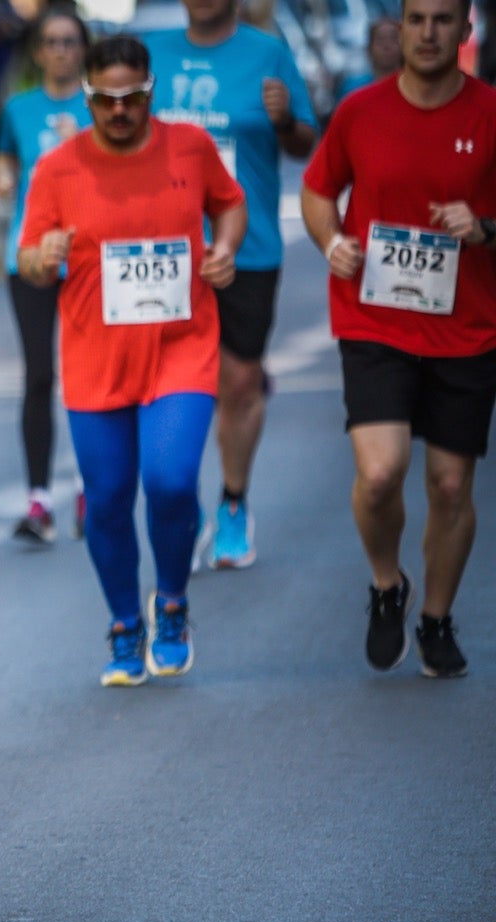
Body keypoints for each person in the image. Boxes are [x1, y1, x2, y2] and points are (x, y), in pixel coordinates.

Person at [19, 35, 246, 686]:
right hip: (96, 359)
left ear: (152, 90)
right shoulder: (59, 167)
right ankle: (125, 622)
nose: (120, 111)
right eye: (106, 99)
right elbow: (31, 261)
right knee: (110, 501)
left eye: (133, 97)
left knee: (171, 482)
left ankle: (171, 602)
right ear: (88, 93)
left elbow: (229, 204)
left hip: (182, 347)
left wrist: (226, 248)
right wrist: (46, 255)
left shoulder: (191, 148)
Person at [300, 0, 496, 679]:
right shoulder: (360, 110)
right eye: (417, 19)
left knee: (449, 485)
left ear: (466, 31)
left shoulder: (490, 114)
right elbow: (319, 189)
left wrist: (484, 227)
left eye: (444, 19)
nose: (429, 32)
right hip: (375, 319)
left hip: (466, 327)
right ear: (400, 29)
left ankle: (436, 620)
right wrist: (331, 241)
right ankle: (387, 585)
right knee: (381, 475)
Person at [147, 0, 317, 569]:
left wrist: (286, 119)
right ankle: (178, 500)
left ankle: (234, 502)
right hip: (162, 249)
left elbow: (304, 145)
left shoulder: (268, 53)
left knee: (240, 380)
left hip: (250, 245)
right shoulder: (154, 54)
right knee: (170, 382)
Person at [0, 4, 92, 544]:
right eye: (51, 42)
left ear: (83, 48)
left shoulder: (99, 107)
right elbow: (5, 158)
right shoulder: (19, 108)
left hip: (88, 258)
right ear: (38, 52)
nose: (60, 51)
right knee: (38, 375)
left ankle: (89, 489)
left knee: (85, 377)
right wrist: (6, 179)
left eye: (69, 42)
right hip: (27, 257)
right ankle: (39, 500)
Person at [338, 17, 404, 99]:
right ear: (369, 48)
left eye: (393, 39)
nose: (387, 45)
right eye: (380, 39)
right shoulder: (353, 88)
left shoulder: (413, 87)